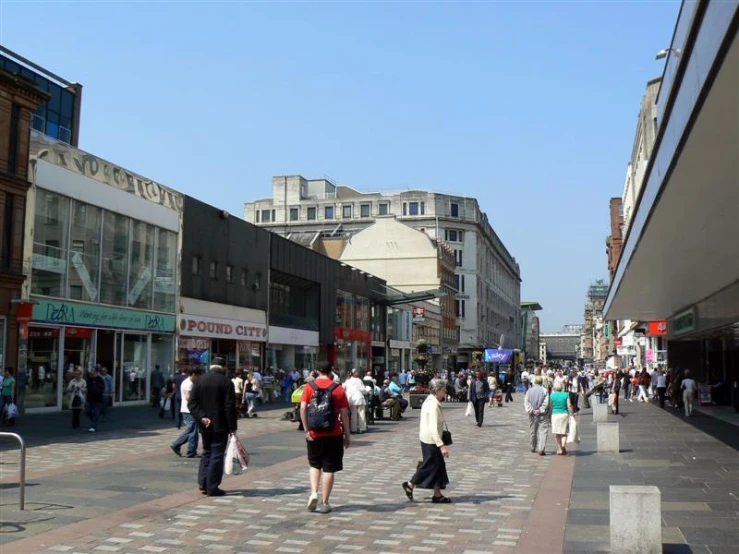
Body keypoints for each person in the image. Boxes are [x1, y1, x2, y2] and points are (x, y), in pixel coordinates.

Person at [300, 362, 351, 514]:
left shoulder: (309, 387)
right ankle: (325, 502)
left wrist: (306, 429)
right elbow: (344, 413)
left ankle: (314, 492)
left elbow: (302, 408)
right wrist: (347, 434)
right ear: (331, 371)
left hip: (314, 433)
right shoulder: (338, 389)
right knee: (329, 468)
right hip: (333, 433)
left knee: (315, 465)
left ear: (317, 371)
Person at [188, 361, 238, 496]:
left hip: (204, 424)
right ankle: (212, 486)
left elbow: (192, 403)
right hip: (220, 424)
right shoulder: (226, 382)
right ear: (224, 367)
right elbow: (230, 406)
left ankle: (203, 482)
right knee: (217, 454)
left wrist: (201, 416)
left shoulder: (200, 380)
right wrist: (232, 427)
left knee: (207, 451)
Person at [401, 378, 451, 504]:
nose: (445, 393)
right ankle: (410, 484)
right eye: (443, 390)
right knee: (429, 466)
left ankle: (437, 494)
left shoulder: (430, 401)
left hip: (427, 438)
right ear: (437, 390)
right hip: (431, 440)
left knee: (439, 467)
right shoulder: (433, 405)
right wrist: (442, 445)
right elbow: (434, 428)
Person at [171, 368, 202, 458]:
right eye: (198, 376)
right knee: (192, 431)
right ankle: (188, 449)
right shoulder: (189, 384)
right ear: (193, 374)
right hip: (189, 410)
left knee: (192, 430)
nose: (199, 378)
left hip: (186, 409)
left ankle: (184, 447)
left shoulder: (185, 382)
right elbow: (188, 397)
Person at [524, 376, 550, 456]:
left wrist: (531, 410)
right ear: (542, 382)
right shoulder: (545, 390)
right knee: (543, 432)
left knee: (533, 431)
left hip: (532, 414)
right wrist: (540, 410)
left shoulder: (529, 390)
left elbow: (526, 401)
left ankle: (532, 447)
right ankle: (541, 449)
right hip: (542, 414)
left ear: (534, 382)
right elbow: (546, 402)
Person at [550, 381, 573, 455]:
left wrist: (549, 414)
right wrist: (572, 413)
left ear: (554, 388)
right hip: (564, 414)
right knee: (564, 432)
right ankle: (563, 445)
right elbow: (569, 405)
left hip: (555, 415)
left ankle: (560, 448)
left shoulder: (552, 396)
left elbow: (550, 406)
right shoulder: (566, 394)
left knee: (557, 433)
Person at [344, 369, 367, 434]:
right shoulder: (358, 380)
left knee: (353, 414)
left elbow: (345, 389)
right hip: (359, 397)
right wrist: (366, 391)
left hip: (351, 399)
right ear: (354, 373)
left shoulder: (347, 381)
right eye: (356, 372)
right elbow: (362, 389)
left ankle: (353, 428)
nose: (357, 373)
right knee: (361, 413)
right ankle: (362, 428)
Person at [85, 366, 106, 432]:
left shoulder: (100, 379)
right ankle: (94, 420)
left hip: (97, 399)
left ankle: (94, 426)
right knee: (88, 411)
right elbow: (87, 388)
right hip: (89, 398)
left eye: (92, 371)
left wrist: (95, 388)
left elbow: (101, 389)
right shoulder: (89, 379)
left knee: (96, 412)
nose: (91, 372)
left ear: (96, 372)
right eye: (91, 370)